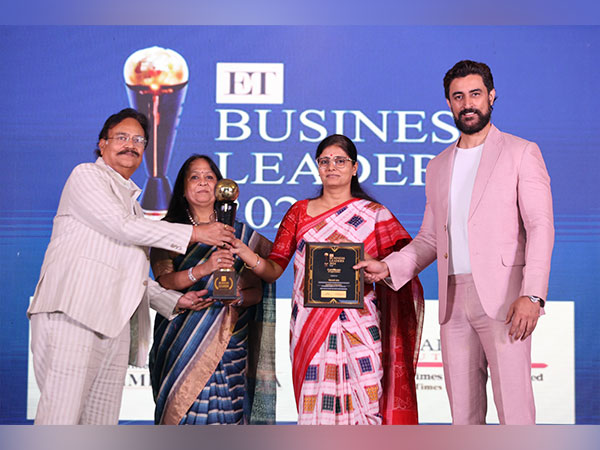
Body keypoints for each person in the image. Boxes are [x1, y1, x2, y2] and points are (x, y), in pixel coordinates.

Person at [355, 60, 554, 425]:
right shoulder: (438, 165)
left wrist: (533, 295)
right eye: (458, 96)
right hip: (452, 300)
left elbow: (540, 226)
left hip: (507, 298)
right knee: (462, 415)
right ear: (448, 103)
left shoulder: (521, 151)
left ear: (492, 96)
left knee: (516, 411)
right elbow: (430, 238)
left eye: (475, 94)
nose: (468, 104)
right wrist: (387, 266)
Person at [27, 108, 236, 425]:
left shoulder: (133, 204)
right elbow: (121, 226)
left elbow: (133, 272)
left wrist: (175, 300)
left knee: (100, 426)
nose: (131, 145)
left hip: (113, 323)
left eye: (138, 140)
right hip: (73, 314)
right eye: (121, 137)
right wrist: (196, 232)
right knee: (61, 422)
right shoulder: (86, 175)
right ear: (102, 144)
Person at [232, 134, 424, 425]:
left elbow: (403, 266)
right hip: (309, 328)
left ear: (355, 167)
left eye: (340, 160)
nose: (331, 166)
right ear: (317, 167)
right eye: (324, 161)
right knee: (314, 412)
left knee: (367, 406)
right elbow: (274, 268)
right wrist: (245, 252)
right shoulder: (298, 212)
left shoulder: (375, 215)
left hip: (361, 325)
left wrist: (381, 266)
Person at [148, 154, 276, 425]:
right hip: (180, 340)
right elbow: (165, 282)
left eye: (209, 177)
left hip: (229, 341)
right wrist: (205, 269)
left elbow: (258, 288)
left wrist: (238, 297)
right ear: (182, 189)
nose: (203, 183)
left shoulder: (240, 233)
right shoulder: (167, 231)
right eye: (194, 177)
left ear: (220, 188)